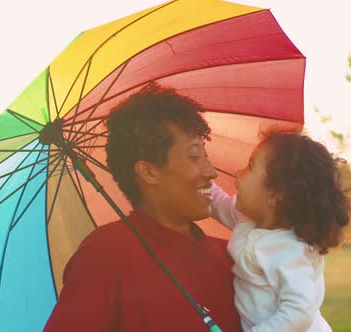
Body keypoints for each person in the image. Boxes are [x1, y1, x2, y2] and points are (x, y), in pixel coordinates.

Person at [44, 83, 242, 332]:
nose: (210, 171)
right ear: (148, 172)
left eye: (206, 155)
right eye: (194, 157)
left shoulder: (231, 255)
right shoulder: (104, 255)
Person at [209, 130, 351, 331]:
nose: (238, 173)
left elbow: (299, 312)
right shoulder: (248, 220)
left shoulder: (290, 250)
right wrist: (195, 176)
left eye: (250, 167)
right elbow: (216, 202)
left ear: (276, 193)